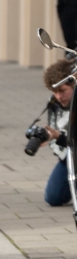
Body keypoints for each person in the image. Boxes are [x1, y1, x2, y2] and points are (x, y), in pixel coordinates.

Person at [42, 59, 75, 206]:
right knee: (53, 197)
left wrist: (59, 137)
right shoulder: (54, 103)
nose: (58, 97)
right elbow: (61, 142)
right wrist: (51, 137)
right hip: (69, 157)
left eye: (62, 91)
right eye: (54, 92)